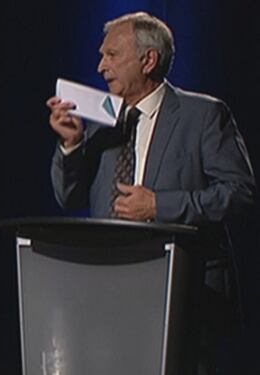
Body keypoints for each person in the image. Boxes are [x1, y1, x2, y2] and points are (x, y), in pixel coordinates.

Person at [47, 12, 255, 374]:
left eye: (112, 55)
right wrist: (71, 145)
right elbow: (70, 198)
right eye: (101, 55)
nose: (100, 66)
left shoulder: (203, 114)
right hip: (109, 292)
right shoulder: (101, 124)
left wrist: (160, 205)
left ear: (148, 59)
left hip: (184, 294)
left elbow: (240, 193)